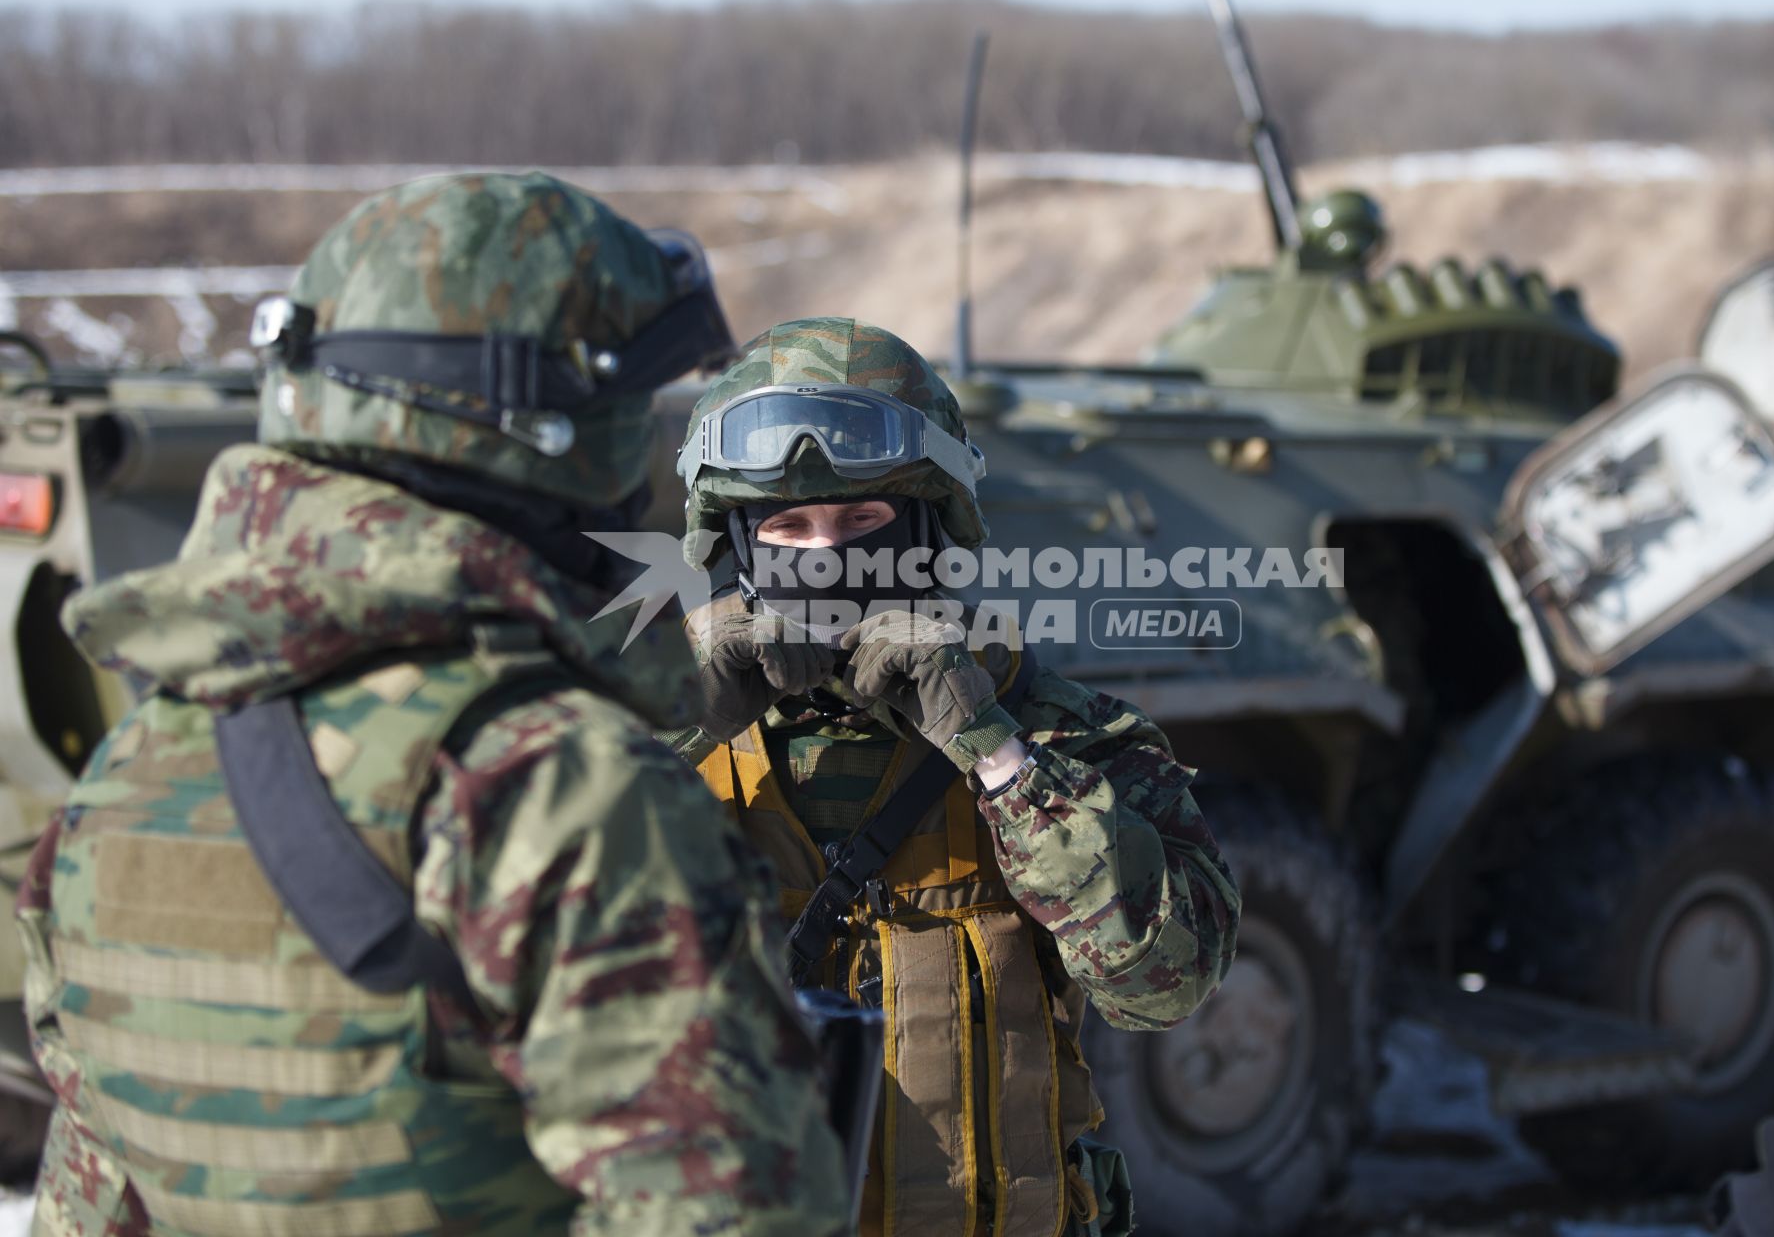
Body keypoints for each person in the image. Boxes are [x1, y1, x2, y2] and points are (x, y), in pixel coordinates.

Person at [16, 173, 849, 1236]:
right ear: (551, 426)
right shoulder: (555, 781)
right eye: (628, 404)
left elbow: (88, 1203)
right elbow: (739, 1213)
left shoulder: (133, 768)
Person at [669, 316, 1242, 1237]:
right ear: (736, 539)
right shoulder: (642, 745)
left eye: (861, 522)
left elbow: (1164, 986)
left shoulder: (1065, 735)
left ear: (930, 525)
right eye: (788, 525)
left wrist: (995, 752)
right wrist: (668, 730)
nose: (824, 557)